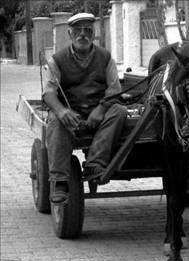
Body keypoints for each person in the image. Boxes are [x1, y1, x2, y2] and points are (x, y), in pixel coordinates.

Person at [43, 13, 127, 204]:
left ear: (94, 33)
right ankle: (60, 181)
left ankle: (94, 164)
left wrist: (101, 109)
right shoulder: (57, 60)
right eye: (78, 31)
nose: (83, 34)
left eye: (88, 30)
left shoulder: (106, 58)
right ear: (70, 34)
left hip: (98, 112)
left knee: (119, 111)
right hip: (71, 114)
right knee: (55, 120)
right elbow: (49, 93)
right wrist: (62, 110)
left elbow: (115, 89)